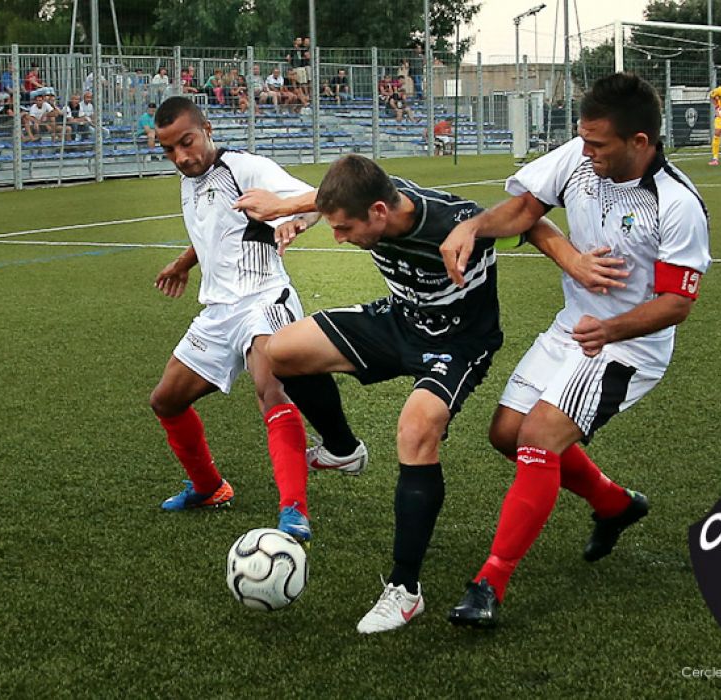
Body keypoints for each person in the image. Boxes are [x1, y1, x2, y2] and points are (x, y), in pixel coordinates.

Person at [234, 155, 620, 634]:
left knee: (416, 429)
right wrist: (282, 206)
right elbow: (329, 196)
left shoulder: (451, 220)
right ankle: (343, 450)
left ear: (378, 212)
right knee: (281, 351)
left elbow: (532, 222)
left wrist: (575, 262)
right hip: (400, 321)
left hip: (458, 344)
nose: (338, 237)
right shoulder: (373, 196)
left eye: (344, 228)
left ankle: (404, 588)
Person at [439, 72, 711, 628]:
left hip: (629, 346)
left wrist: (610, 333)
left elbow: (675, 305)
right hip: (574, 327)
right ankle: (614, 504)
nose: (585, 153)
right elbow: (524, 212)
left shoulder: (677, 204)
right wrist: (474, 227)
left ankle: (490, 582)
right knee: (505, 435)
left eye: (598, 144)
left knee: (539, 437)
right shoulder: (578, 157)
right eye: (583, 140)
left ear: (640, 142)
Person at [149, 97, 367, 539]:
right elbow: (218, 230)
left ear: (207, 129)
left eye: (187, 143)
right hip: (219, 310)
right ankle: (209, 487)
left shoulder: (245, 167)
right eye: (169, 150)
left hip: (264, 297)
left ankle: (294, 511)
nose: (181, 157)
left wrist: (295, 222)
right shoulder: (191, 178)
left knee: (271, 390)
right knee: (166, 400)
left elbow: (316, 199)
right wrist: (184, 263)